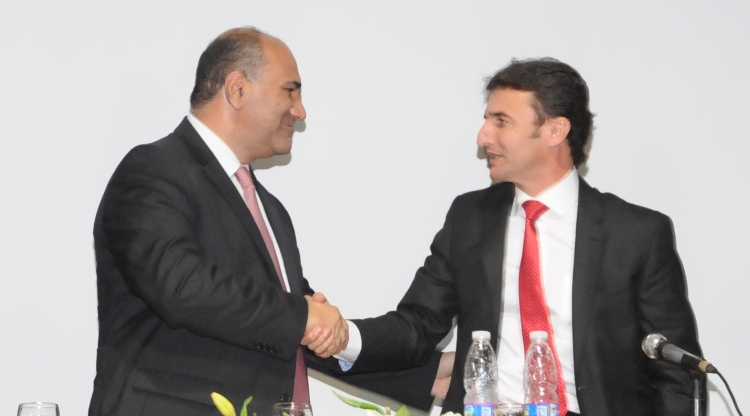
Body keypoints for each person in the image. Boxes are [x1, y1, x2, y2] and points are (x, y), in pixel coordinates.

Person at [89, 27, 444, 416]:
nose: (300, 111)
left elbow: (293, 331)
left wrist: (431, 374)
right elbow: (181, 285)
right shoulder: (153, 170)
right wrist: (304, 316)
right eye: (290, 91)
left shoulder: (269, 209)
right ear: (237, 89)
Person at [321, 58, 705, 416]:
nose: (483, 136)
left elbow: (674, 369)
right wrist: (341, 335)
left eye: (501, 121)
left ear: (555, 130)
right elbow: (417, 325)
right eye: (487, 120)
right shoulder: (471, 218)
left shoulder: (635, 234)